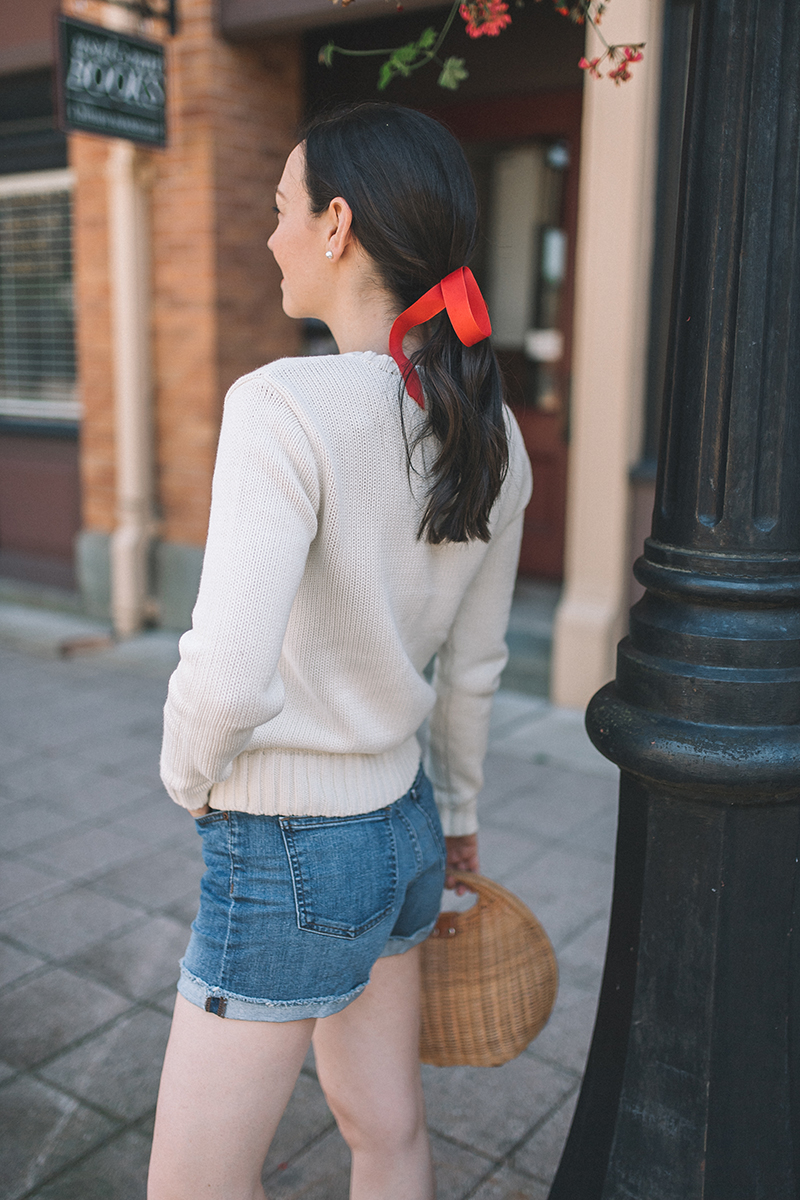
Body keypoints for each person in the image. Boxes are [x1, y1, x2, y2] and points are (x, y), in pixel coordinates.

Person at [148, 102, 532, 1200]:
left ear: (334, 227)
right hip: (405, 830)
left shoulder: (281, 406)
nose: (266, 237)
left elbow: (223, 677)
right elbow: (472, 669)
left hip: (286, 848)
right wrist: (455, 824)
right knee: (389, 1136)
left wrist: (188, 781)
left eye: (279, 210)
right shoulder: (491, 433)